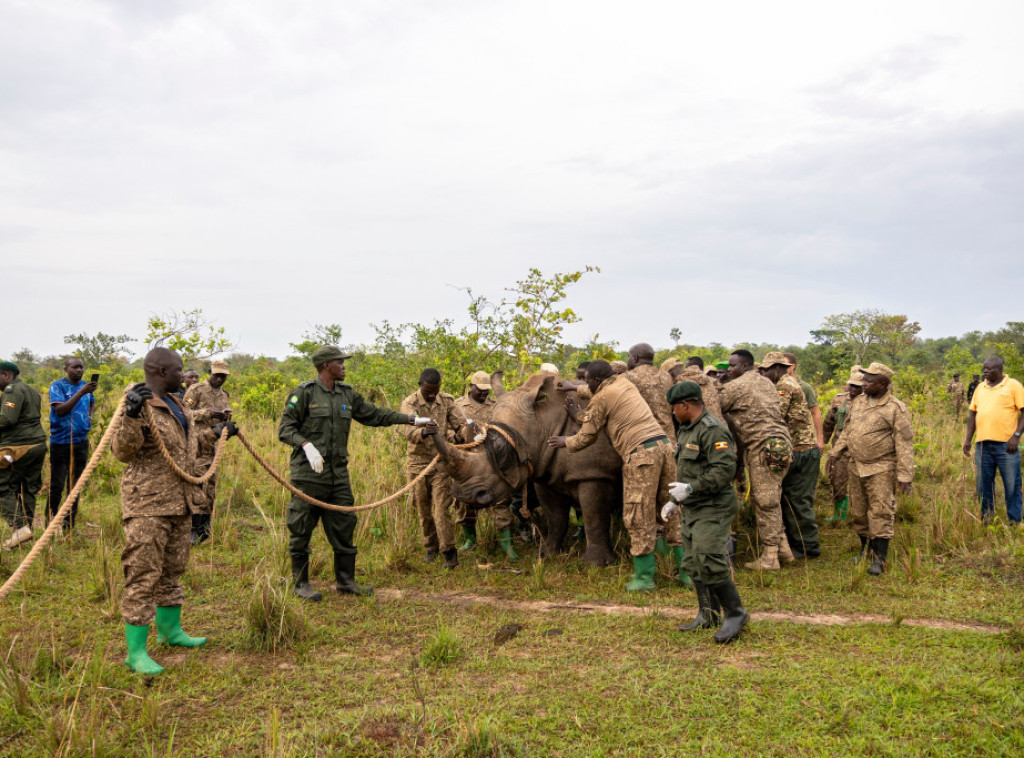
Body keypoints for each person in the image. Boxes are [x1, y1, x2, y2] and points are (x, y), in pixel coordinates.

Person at [111, 347, 235, 674]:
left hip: (181, 502)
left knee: (173, 568)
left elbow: (188, 449)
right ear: (162, 371)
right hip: (148, 505)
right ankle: (135, 652)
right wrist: (132, 414)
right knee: (143, 574)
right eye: (180, 370)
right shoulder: (138, 403)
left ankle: (170, 632)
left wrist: (217, 434)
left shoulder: (176, 403)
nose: (185, 376)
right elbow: (123, 451)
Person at [548, 360, 673, 592]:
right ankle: (683, 571)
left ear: (596, 381)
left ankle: (644, 578)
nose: (586, 385)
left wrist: (566, 441)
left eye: (587, 381)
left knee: (637, 513)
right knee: (669, 508)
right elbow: (594, 397)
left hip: (640, 452)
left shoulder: (602, 398)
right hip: (664, 446)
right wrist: (573, 388)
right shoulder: (623, 382)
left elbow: (588, 434)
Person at [661, 381, 748, 643]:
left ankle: (735, 612)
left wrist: (690, 488)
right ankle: (708, 613)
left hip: (714, 505)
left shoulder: (712, 430)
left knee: (709, 559)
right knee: (695, 562)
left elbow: (723, 471)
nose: (673, 413)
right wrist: (675, 501)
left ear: (685, 405)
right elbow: (689, 470)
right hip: (694, 504)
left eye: (675, 408)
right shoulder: (688, 429)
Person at [828, 362, 913, 575]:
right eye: (863, 380)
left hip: (881, 468)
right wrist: (835, 453)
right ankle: (865, 550)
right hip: (855, 466)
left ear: (883, 384)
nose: (863, 384)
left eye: (869, 381)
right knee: (858, 512)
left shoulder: (895, 408)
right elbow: (848, 430)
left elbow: (904, 442)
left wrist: (905, 475)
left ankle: (879, 558)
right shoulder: (858, 402)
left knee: (880, 511)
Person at [717, 349, 793, 570]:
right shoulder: (766, 383)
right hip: (781, 443)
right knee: (773, 497)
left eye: (732, 366)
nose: (728, 370)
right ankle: (783, 549)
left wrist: (715, 385)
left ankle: (770, 557)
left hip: (762, 446)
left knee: (765, 501)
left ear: (744, 366)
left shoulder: (737, 386)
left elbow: (714, 404)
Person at [624, 343, 689, 585]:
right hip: (670, 445)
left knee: (640, 507)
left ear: (636, 357)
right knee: (671, 503)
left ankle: (645, 576)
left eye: (630, 356)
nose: (628, 359)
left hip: (645, 444)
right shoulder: (665, 376)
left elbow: (607, 393)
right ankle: (685, 572)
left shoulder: (629, 378)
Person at [399, 368, 467, 569]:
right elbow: (409, 431)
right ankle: (431, 547)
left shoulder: (445, 401)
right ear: (420, 385)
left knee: (441, 508)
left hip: (440, 463)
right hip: (418, 464)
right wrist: (424, 432)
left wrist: (466, 432)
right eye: (428, 391)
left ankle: (449, 552)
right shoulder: (409, 403)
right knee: (423, 509)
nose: (432, 395)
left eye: (435, 391)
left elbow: (460, 423)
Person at [760, 352, 821, 560]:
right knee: (791, 498)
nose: (763, 374)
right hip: (798, 448)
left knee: (799, 500)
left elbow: (776, 415)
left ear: (777, 368)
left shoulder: (784, 386)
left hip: (801, 449)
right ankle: (798, 543)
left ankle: (808, 547)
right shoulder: (788, 382)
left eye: (766, 370)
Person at [453, 371, 519, 560]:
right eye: (480, 390)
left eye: (486, 390)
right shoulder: (458, 406)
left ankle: (507, 547)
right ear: (471, 387)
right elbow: (451, 430)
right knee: (464, 502)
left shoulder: (495, 406)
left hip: (493, 463)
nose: (484, 393)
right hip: (467, 462)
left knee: (500, 501)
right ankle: (470, 540)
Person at [962, 357, 1024, 525]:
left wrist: (1016, 436)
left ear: (999, 369)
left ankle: (1015, 521)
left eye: (989, 369)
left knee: (1012, 484)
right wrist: (968, 440)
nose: (985, 372)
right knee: (983, 485)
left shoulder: (1013, 386)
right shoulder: (980, 388)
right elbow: (972, 414)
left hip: (1007, 445)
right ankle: (987, 520)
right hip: (982, 445)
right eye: (984, 369)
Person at [183, 360, 232, 544]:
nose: (219, 379)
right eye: (216, 375)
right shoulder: (196, 390)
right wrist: (207, 413)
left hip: (214, 446)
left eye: (223, 376)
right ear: (210, 372)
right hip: (197, 444)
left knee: (211, 486)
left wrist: (226, 417)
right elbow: (184, 413)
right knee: (197, 484)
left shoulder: (223, 395)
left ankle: (205, 527)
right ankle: (192, 528)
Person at [0, 361, 47, 550]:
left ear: (6, 375)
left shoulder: (12, 391)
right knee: (27, 488)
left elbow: (8, 418)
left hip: (17, 449)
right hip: (37, 446)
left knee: (2, 485)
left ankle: (19, 527)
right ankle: (25, 529)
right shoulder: (31, 390)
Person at [47, 357, 97, 532]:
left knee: (75, 486)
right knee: (57, 485)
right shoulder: (58, 386)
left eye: (81, 367)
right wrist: (81, 392)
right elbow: (60, 410)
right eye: (75, 367)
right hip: (60, 443)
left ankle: (69, 527)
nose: (79, 370)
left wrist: (89, 418)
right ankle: (50, 525)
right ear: (66, 368)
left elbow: (92, 402)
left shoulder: (86, 386)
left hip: (80, 443)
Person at [821, 369, 864, 523]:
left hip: (862, 450)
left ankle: (862, 517)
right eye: (851, 385)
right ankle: (839, 516)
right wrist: (823, 442)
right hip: (840, 449)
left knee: (863, 486)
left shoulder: (871, 402)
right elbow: (828, 422)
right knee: (837, 481)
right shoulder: (839, 400)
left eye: (857, 387)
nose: (853, 389)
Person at [783, 353, 824, 451]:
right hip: (783, 441)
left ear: (793, 366)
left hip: (803, 441)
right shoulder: (777, 386)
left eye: (784, 365)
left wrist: (820, 439)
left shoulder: (805, 387)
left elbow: (815, 412)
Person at [670, 356, 723, 422]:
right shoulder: (713, 382)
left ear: (688, 367)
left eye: (686, 367)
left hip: (699, 426)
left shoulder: (680, 384)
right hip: (719, 425)